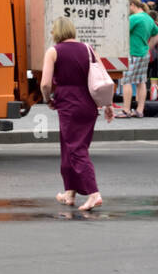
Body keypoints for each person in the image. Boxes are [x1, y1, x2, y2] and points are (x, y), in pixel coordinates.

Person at [40, 16, 114, 211]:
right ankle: (70, 192)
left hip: (68, 103)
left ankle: (94, 193)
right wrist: (108, 104)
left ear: (55, 32)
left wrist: (48, 99)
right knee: (69, 147)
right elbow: (102, 77)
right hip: (88, 103)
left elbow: (45, 83)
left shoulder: (53, 51)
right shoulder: (88, 49)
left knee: (76, 149)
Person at [119, 0, 158, 118]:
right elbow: (157, 33)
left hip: (132, 52)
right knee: (141, 82)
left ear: (132, 5)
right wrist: (149, 47)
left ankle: (126, 110)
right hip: (144, 54)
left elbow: (121, 32)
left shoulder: (133, 18)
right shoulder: (148, 18)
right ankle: (139, 110)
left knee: (126, 81)